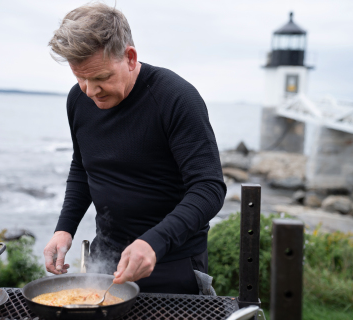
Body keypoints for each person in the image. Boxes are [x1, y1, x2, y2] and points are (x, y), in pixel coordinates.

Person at [43, 3, 226, 295]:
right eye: (80, 78)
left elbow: (209, 188)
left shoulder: (176, 98)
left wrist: (154, 241)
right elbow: (83, 166)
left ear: (129, 57)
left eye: (101, 77)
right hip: (105, 260)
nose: (91, 91)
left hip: (172, 263)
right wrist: (64, 229)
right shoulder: (78, 101)